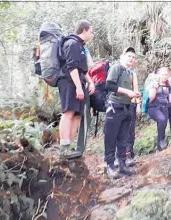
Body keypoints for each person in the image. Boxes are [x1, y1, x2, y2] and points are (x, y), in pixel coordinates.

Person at [58, 19, 95, 159]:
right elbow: (72, 67)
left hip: (78, 81)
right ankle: (64, 148)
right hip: (68, 82)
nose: (92, 34)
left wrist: (90, 82)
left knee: (78, 115)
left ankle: (71, 148)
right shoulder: (72, 43)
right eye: (91, 31)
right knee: (68, 113)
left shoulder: (80, 46)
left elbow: (82, 70)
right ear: (84, 30)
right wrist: (79, 87)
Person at [104, 47, 141, 179]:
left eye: (133, 57)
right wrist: (127, 92)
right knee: (111, 137)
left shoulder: (130, 73)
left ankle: (122, 164)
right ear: (122, 57)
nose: (132, 59)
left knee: (123, 137)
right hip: (115, 106)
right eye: (129, 56)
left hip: (127, 107)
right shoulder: (116, 68)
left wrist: (135, 95)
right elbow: (109, 85)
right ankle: (109, 165)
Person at [147, 67, 171, 152]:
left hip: (164, 107)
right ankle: (161, 140)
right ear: (159, 75)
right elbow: (150, 97)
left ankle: (159, 148)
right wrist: (155, 87)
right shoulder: (154, 84)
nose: (164, 76)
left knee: (162, 126)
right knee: (162, 119)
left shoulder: (168, 85)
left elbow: (170, 99)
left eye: (166, 75)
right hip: (153, 107)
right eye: (163, 74)